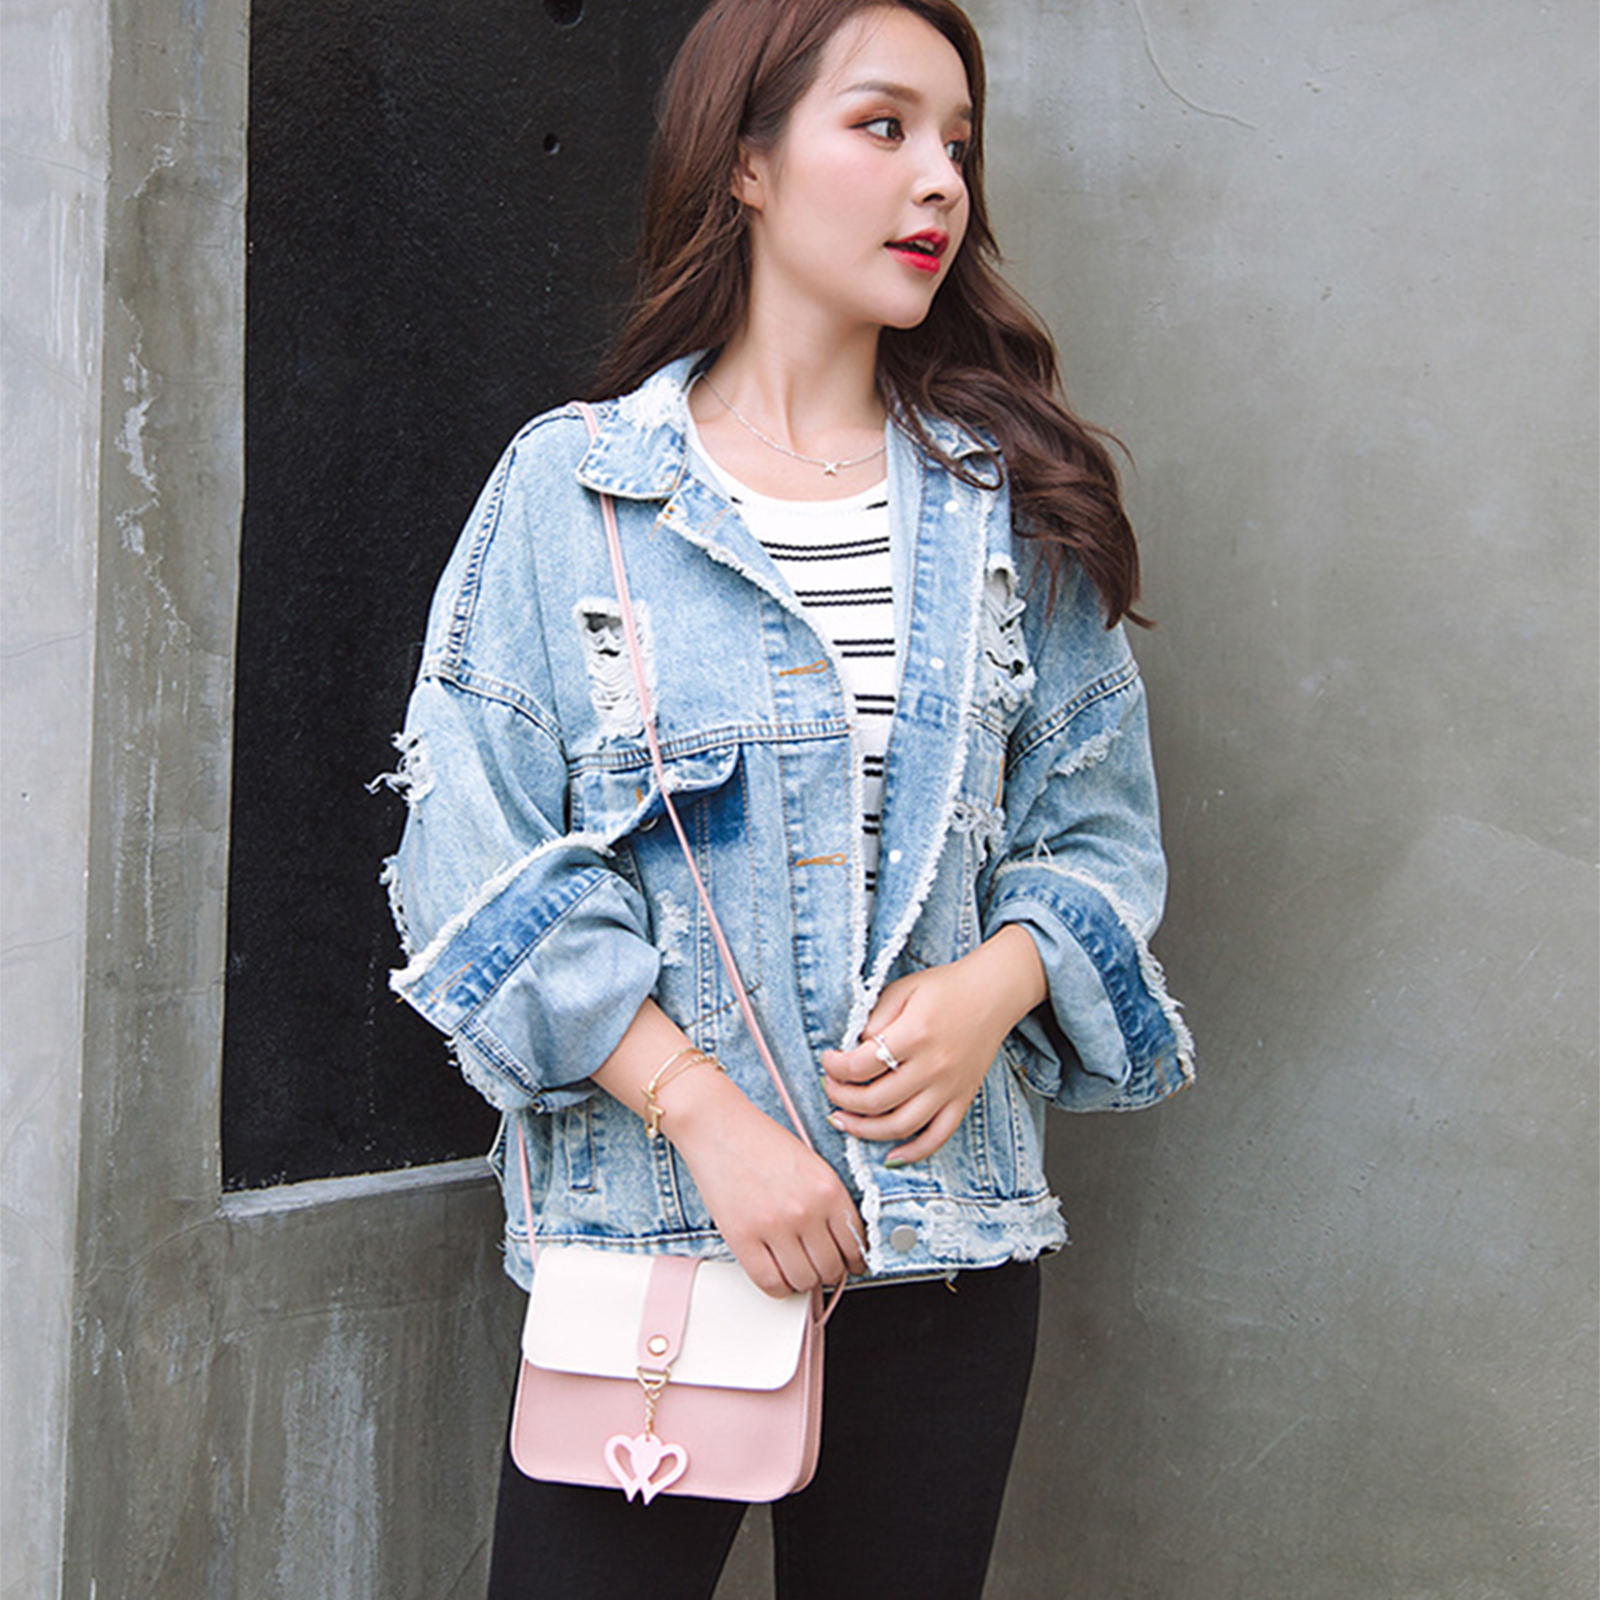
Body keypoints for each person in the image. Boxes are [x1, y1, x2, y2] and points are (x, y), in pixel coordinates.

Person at [380, 1, 1193, 1594]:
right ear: (745, 162)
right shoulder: (577, 492)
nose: (939, 179)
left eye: (957, 142)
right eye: (883, 127)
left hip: (943, 1252)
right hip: (655, 1251)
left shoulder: (1007, 505)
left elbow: (1100, 835)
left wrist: (993, 985)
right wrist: (706, 1115)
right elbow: (467, 862)